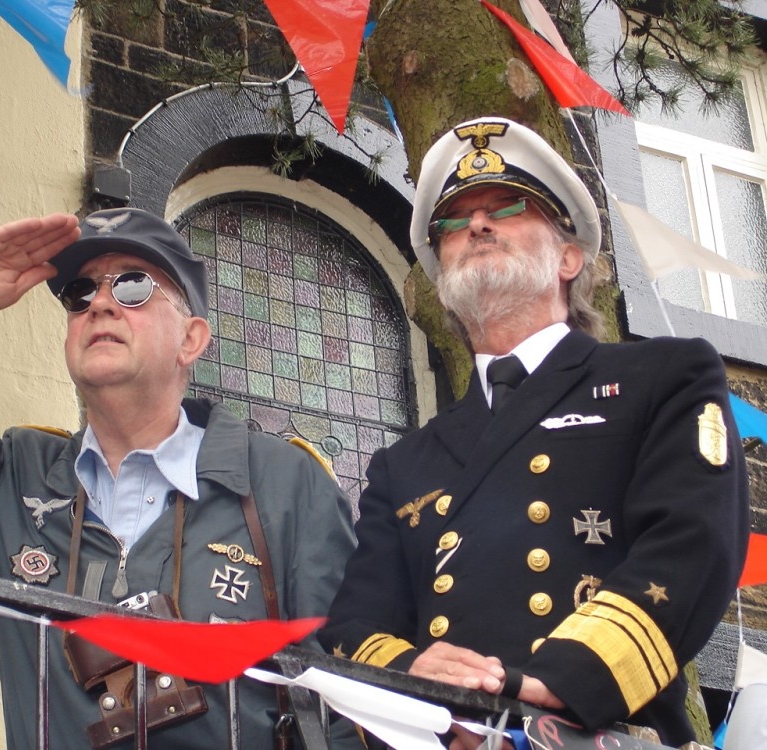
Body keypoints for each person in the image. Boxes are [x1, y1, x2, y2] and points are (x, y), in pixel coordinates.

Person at [0, 208, 358, 749]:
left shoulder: (285, 484)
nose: (100, 304)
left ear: (191, 339)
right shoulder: (10, 479)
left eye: (132, 286)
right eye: (80, 293)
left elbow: (352, 702)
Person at [318, 116, 750, 749]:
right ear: (442, 284)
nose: (477, 225)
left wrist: (558, 680)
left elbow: (692, 546)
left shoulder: (663, 377)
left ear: (570, 258)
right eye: (452, 223)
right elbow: (355, 626)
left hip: (599, 728)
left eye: (506, 207)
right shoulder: (403, 463)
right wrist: (418, 681)